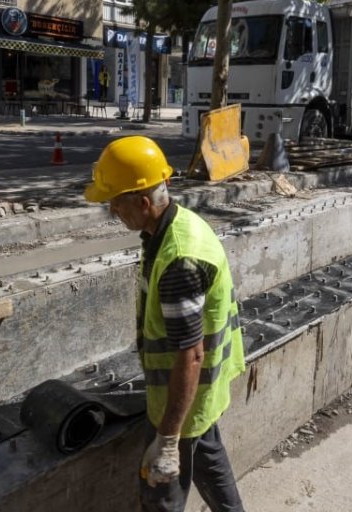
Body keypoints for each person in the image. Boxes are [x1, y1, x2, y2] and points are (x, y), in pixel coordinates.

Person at [83, 136, 246, 512]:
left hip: (183, 398)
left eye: (116, 201)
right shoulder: (173, 226)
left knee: (160, 495)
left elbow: (190, 355)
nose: (111, 210)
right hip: (202, 391)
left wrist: (169, 438)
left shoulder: (179, 262)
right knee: (208, 460)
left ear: (143, 202)